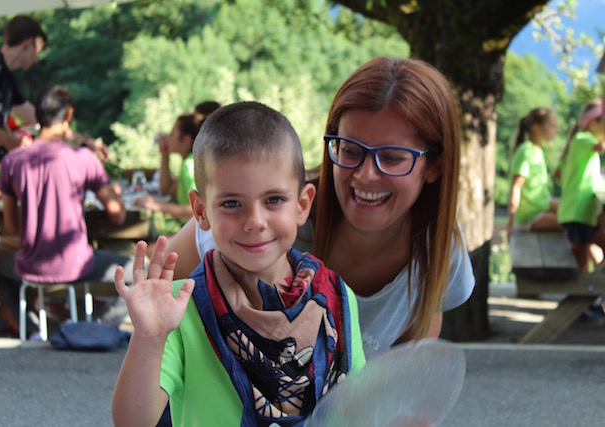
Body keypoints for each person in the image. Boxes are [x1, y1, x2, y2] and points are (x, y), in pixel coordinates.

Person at [166, 57, 475, 359]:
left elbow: (408, 366)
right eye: (350, 150)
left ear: (434, 166)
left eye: (392, 158)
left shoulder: (439, 248)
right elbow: (161, 291)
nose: (366, 174)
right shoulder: (271, 217)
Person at [112, 102, 365, 426]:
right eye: (232, 203)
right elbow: (132, 422)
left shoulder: (336, 297)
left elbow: (358, 410)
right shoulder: (179, 309)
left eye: (274, 200)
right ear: (201, 211)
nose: (255, 221)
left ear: (302, 205)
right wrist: (148, 338)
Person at [0, 15, 106, 337]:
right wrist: (10, 141)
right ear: (28, 43)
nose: (37, 58)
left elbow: (40, 119)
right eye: (39, 49)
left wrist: (84, 141)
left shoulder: (5, 79)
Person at [0, 85, 136, 337]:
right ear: (69, 115)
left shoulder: (12, 162)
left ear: (36, 116)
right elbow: (118, 215)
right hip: (78, 264)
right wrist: (114, 193)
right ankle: (99, 327)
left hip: (30, 264)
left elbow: (12, 226)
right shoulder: (84, 159)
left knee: (0, 269)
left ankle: (34, 329)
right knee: (140, 273)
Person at [556, 99, 605, 273]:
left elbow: (557, 174)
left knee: (586, 259)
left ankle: (593, 288)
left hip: (580, 213)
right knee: (581, 265)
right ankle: (587, 290)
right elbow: (601, 146)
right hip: (578, 214)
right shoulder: (583, 139)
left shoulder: (577, 143)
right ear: (593, 123)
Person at [134, 113, 202, 224]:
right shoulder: (190, 161)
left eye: (172, 133)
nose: (167, 138)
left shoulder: (190, 166)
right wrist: (164, 154)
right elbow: (166, 190)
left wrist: (156, 206)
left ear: (186, 140)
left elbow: (198, 211)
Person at [507, 107, 562, 237]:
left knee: (575, 214)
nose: (556, 130)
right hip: (530, 215)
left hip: (542, 205)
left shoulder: (537, 150)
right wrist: (511, 223)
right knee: (571, 224)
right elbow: (516, 187)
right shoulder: (526, 151)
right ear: (537, 128)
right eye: (552, 126)